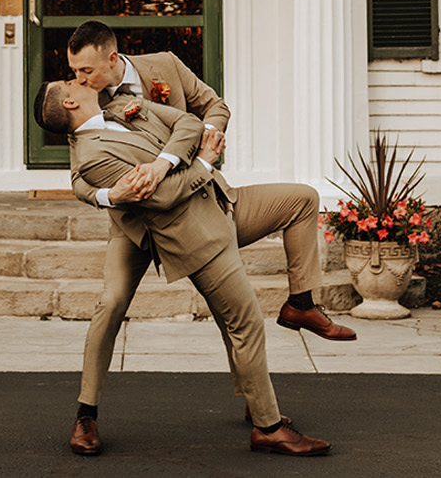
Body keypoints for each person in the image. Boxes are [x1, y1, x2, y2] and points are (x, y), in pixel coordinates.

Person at [34, 79, 332, 457]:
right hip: (183, 231)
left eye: (80, 68)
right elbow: (164, 198)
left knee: (300, 201)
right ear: (71, 102)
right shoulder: (91, 156)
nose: (79, 76)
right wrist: (204, 160)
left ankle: (294, 321)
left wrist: (165, 162)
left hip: (216, 205)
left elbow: (189, 124)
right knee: (234, 318)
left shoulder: (120, 104)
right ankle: (268, 427)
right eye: (71, 79)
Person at [63, 21, 354, 351]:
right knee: (111, 303)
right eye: (74, 71)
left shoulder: (165, 65)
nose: (80, 79)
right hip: (137, 222)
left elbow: (215, 106)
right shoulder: (84, 100)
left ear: (112, 58)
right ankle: (88, 402)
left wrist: (211, 133)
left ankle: (300, 305)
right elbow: (77, 179)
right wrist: (110, 195)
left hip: (196, 204)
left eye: (85, 69)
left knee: (235, 313)